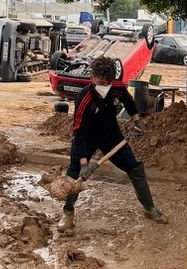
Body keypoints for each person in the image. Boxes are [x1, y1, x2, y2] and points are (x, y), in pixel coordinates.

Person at [57, 56, 168, 232]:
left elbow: (128, 101)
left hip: (111, 136)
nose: (104, 86)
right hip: (86, 137)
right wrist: (84, 164)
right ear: (92, 78)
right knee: (74, 172)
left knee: (135, 168)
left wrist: (136, 119)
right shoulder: (84, 98)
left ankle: (149, 208)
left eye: (108, 82)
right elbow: (79, 133)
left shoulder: (116, 87)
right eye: (100, 81)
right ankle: (68, 213)